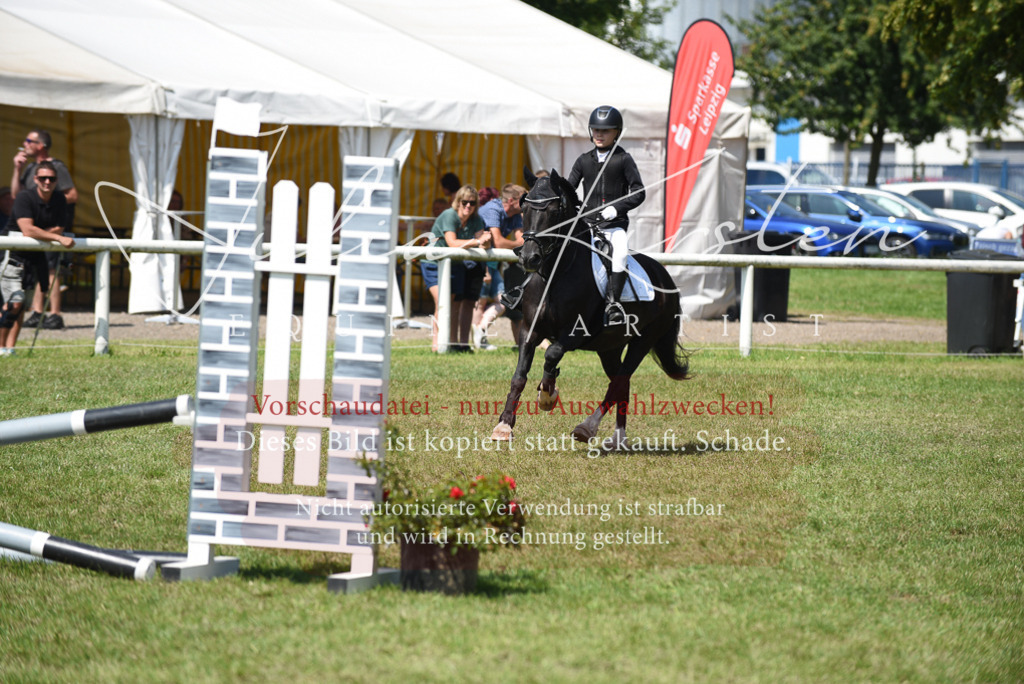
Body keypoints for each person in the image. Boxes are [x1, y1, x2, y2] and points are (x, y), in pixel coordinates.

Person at [567, 105, 646, 326]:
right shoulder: (583, 160)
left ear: (616, 132)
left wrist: (617, 208)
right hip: (586, 225)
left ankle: (613, 303)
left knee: (619, 254)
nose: (599, 135)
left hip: (613, 226)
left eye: (605, 131)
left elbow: (639, 192)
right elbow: (569, 189)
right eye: (596, 130)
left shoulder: (624, 159)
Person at [0, 162, 75, 355]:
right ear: (35, 179)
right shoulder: (24, 197)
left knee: (22, 306)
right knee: (13, 303)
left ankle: (10, 349)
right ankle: (1, 347)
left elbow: (59, 227)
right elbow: (28, 230)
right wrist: (57, 238)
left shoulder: (59, 198)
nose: (47, 182)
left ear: (56, 181)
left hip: (34, 256)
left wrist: (42, 233)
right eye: (43, 178)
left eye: (51, 178)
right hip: (11, 254)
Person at [12, 129, 77, 330]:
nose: (25, 144)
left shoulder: (57, 167)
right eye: (42, 180)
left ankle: (55, 313)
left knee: (51, 269)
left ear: (41, 145)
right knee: (37, 269)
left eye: (29, 140)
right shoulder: (31, 168)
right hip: (33, 229)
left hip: (53, 227)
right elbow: (16, 196)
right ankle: (37, 312)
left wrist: (49, 205)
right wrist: (17, 170)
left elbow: (72, 195)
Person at [421, 185, 491, 352]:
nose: (468, 206)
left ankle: (453, 343)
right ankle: (436, 345)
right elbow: (452, 242)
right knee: (441, 301)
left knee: (454, 304)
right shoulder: (449, 215)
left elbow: (484, 243)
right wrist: (478, 241)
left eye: (472, 203)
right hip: (434, 263)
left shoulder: (476, 219)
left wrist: (486, 240)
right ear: (458, 202)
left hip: (455, 264)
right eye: (465, 202)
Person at [473, 183, 527, 349]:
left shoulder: (515, 213)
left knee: (503, 302)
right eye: (523, 200)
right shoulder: (493, 209)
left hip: (492, 263)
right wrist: (514, 244)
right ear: (511, 201)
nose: (527, 204)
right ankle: (474, 343)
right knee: (480, 302)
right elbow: (499, 242)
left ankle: (479, 334)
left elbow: (522, 242)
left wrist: (511, 243)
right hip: (476, 262)